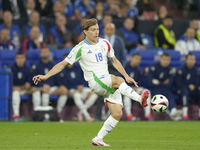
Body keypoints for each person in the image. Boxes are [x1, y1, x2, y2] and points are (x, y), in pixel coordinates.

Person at [33, 18, 149, 146]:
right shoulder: (80, 48)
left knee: (117, 113)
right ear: (85, 32)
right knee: (118, 80)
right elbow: (63, 64)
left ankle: (98, 139)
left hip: (107, 80)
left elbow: (115, 60)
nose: (96, 32)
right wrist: (46, 76)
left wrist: (126, 76)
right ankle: (140, 99)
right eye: (93, 30)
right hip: (95, 82)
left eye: (97, 29)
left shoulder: (105, 43)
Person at [56, 53, 98, 122]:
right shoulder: (62, 71)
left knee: (94, 95)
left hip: (81, 88)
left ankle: (80, 112)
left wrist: (82, 85)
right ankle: (86, 114)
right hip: (71, 90)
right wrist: (76, 87)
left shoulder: (78, 68)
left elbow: (85, 78)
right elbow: (63, 84)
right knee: (76, 95)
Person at [31, 47, 68, 117]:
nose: (44, 54)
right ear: (40, 54)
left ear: (49, 53)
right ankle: (42, 113)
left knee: (64, 90)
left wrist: (61, 85)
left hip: (52, 88)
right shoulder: (36, 65)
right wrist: (41, 86)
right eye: (43, 52)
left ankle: (57, 113)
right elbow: (33, 80)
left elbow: (57, 79)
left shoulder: (53, 65)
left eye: (46, 52)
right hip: (40, 88)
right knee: (45, 90)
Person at [148, 53, 181, 121]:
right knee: (160, 98)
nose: (166, 61)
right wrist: (163, 83)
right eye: (164, 59)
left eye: (168, 60)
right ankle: (172, 114)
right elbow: (149, 83)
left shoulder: (170, 70)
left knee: (170, 95)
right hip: (155, 89)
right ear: (160, 59)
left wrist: (158, 82)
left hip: (166, 90)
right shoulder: (153, 67)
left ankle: (173, 110)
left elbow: (169, 85)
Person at [124, 53, 153, 121]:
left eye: (139, 59)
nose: (138, 61)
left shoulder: (138, 70)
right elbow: (120, 80)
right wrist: (129, 87)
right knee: (127, 94)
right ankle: (129, 115)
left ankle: (147, 114)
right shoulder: (125, 67)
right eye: (136, 58)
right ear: (132, 58)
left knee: (146, 92)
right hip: (124, 88)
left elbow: (138, 83)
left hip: (134, 89)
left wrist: (136, 88)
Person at [175, 54, 200, 121]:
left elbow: (198, 82)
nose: (192, 61)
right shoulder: (181, 70)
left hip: (193, 90)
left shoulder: (196, 71)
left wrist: (194, 86)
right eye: (190, 59)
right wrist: (188, 86)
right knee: (185, 92)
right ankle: (185, 115)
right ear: (186, 60)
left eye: (193, 59)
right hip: (182, 90)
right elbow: (178, 83)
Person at [10, 51, 32, 121]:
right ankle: (16, 115)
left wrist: (22, 87)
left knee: (36, 92)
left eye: (21, 58)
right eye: (18, 58)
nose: (20, 60)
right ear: (15, 59)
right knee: (15, 93)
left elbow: (28, 85)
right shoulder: (11, 69)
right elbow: (9, 85)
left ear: (25, 59)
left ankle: (37, 114)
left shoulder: (28, 69)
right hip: (15, 90)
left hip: (24, 90)